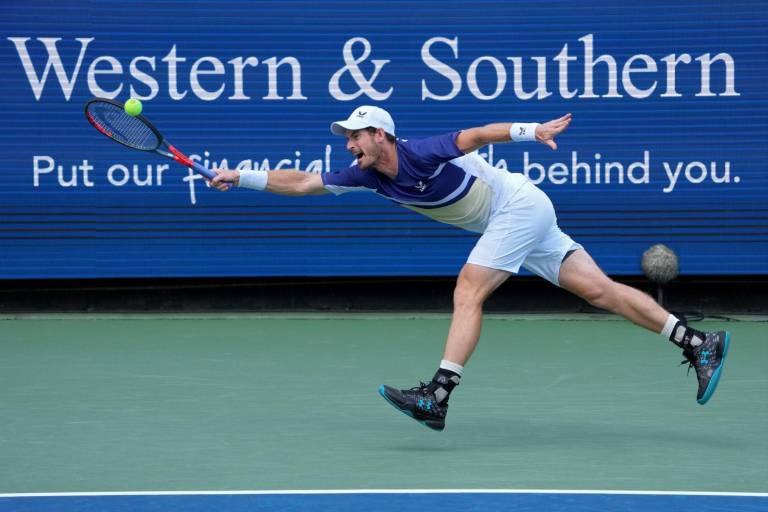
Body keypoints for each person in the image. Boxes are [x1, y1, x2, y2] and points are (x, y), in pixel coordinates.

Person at [211, 106, 730, 431]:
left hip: (518, 208)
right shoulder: (366, 177)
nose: (349, 144)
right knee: (600, 291)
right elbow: (302, 182)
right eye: (347, 138)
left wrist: (533, 130)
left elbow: (481, 133)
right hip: (517, 222)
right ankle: (696, 342)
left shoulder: (422, 152)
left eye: (355, 136)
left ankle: (437, 396)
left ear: (381, 135)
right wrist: (242, 176)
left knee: (468, 289)